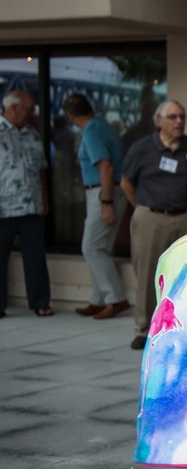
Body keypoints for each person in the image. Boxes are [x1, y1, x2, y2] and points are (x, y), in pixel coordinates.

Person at [121, 100, 187, 350]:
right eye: (172, 117)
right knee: (147, 275)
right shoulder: (141, 149)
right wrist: (143, 208)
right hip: (151, 218)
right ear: (158, 122)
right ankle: (144, 330)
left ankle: (184, 327)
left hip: (186, 217)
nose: (179, 121)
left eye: (182, 116)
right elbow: (126, 183)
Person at [63, 93, 131, 320]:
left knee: (92, 248)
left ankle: (115, 299)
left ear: (70, 116)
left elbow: (106, 167)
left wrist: (106, 203)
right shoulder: (104, 126)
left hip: (103, 192)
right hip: (109, 191)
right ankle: (98, 299)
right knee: (101, 247)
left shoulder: (91, 130)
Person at [0, 90, 53, 318]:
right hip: (4, 208)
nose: (32, 113)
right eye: (29, 109)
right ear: (13, 108)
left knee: (35, 257)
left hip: (32, 205)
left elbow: (41, 168)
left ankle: (40, 302)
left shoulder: (32, 133)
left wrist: (45, 199)